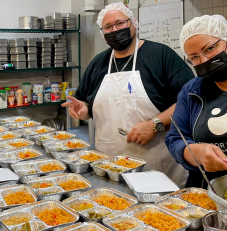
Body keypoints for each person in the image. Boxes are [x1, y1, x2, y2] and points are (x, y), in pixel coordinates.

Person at [62, 2, 194, 186]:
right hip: (109, 164)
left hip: (156, 164)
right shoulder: (98, 63)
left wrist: (155, 124)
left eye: (120, 23)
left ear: (133, 23)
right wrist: (83, 110)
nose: (115, 30)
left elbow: (190, 100)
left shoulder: (161, 55)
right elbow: (87, 105)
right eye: (108, 27)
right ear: (103, 33)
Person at [165, 15, 227, 188]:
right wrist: (195, 153)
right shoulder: (192, 91)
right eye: (194, 57)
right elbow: (176, 138)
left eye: (209, 49)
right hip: (207, 192)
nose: (204, 61)